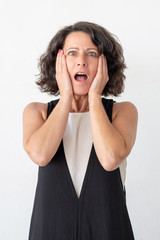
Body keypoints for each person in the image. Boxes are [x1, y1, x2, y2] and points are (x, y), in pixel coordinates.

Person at [23, 21, 138, 240]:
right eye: (72, 53)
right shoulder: (37, 112)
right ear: (59, 62)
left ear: (105, 64)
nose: (81, 62)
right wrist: (66, 95)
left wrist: (94, 96)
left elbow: (110, 158)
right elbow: (40, 155)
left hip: (109, 230)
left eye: (92, 54)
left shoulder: (122, 112)